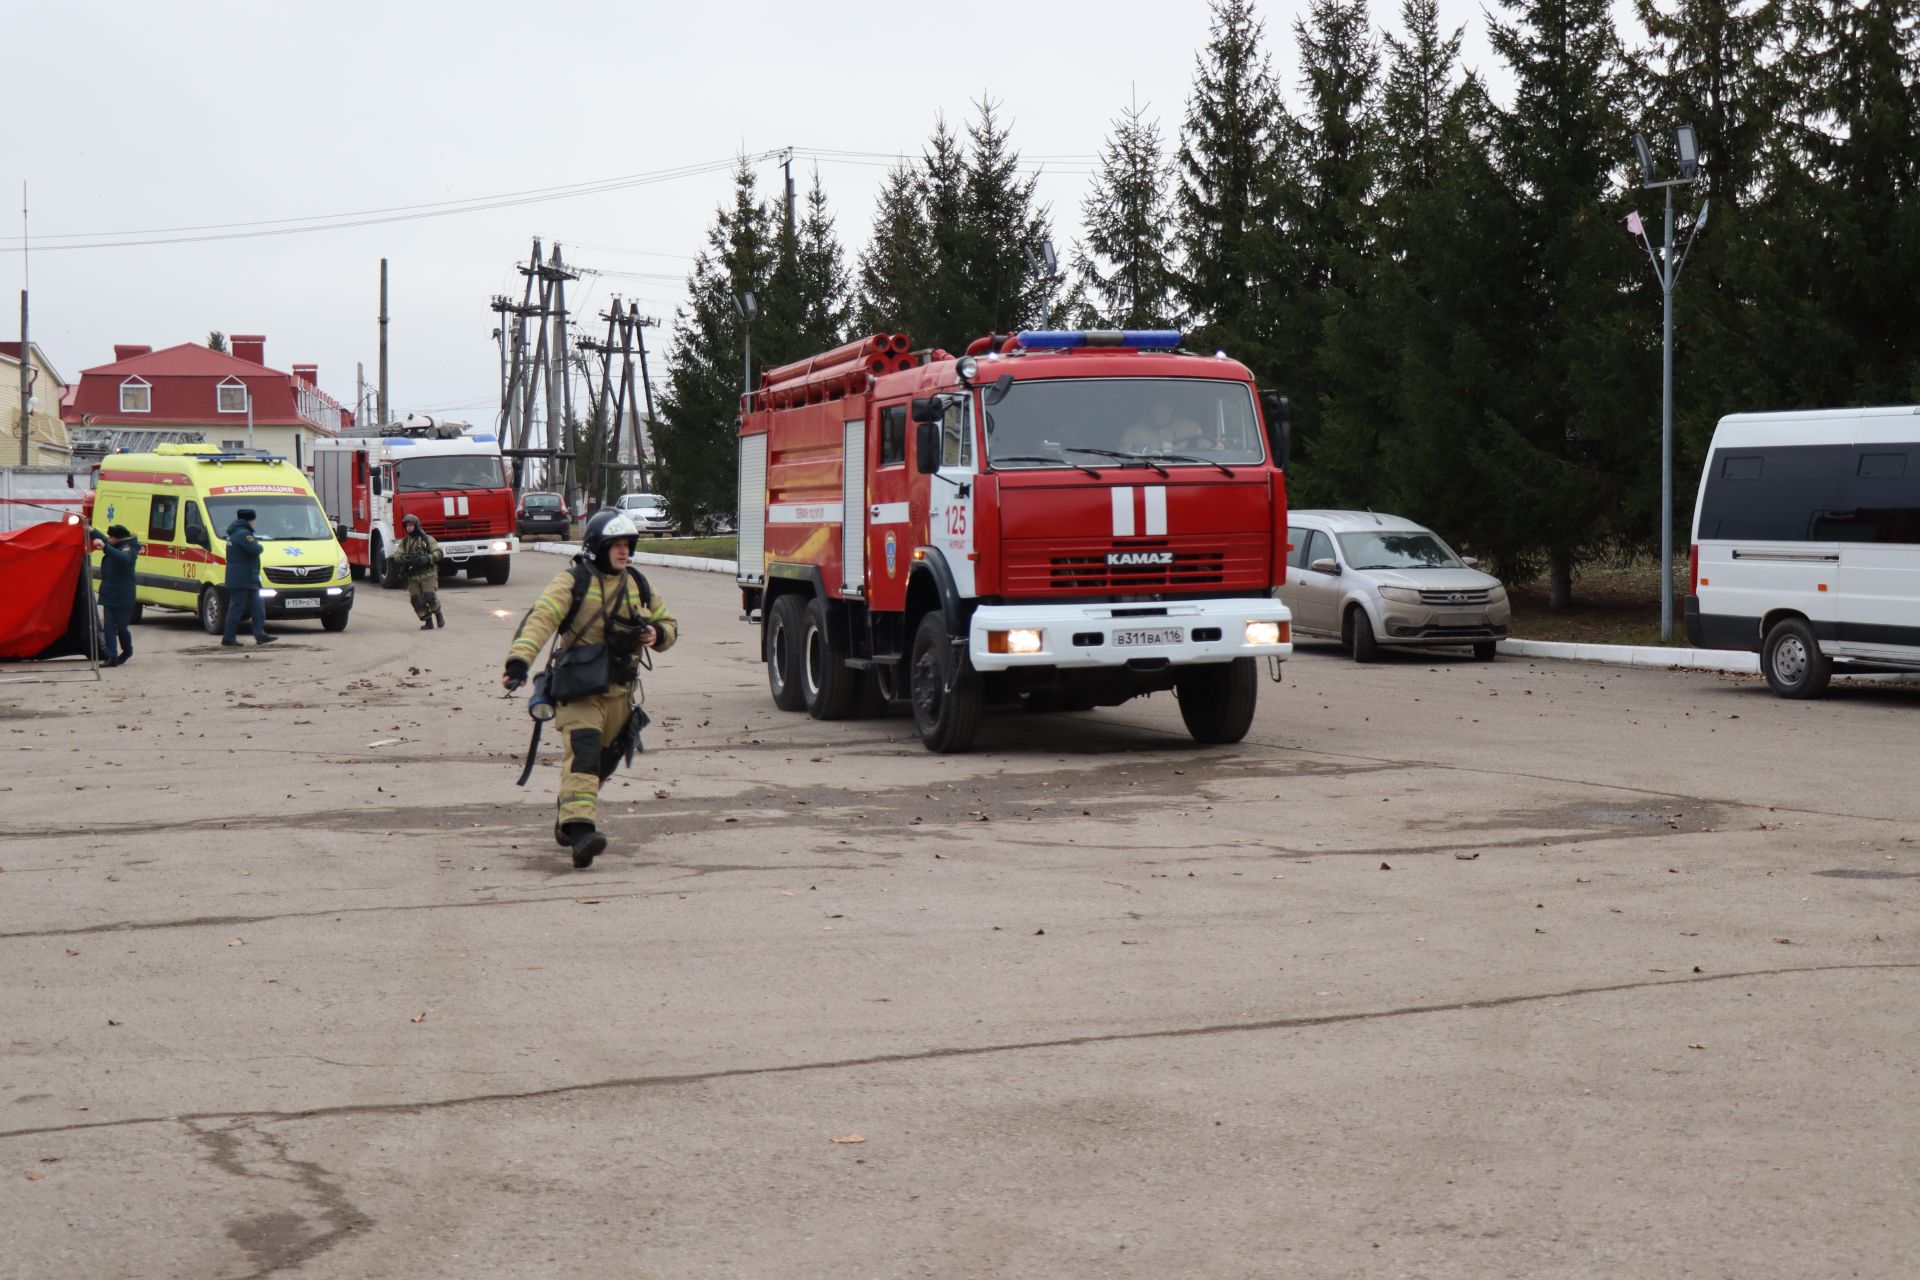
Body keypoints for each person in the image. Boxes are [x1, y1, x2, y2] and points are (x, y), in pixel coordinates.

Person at [501, 508, 677, 868]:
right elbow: (542, 618)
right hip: (579, 690)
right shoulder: (573, 581)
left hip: (621, 695)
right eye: (617, 544)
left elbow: (667, 622)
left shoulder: (637, 583)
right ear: (599, 545)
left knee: (601, 765)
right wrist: (519, 662)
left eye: (628, 544)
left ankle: (568, 815)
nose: (625, 551)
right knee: (584, 753)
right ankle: (582, 834)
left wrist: (656, 634)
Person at [221, 507, 277, 647]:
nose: (254, 523)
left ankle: (260, 634)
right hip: (244, 577)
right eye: (254, 520)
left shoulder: (234, 533)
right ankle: (228, 638)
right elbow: (256, 549)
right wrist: (257, 543)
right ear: (250, 520)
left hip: (245, 576)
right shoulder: (243, 534)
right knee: (237, 607)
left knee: (257, 605)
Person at [92, 523, 142, 667]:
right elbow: (103, 539)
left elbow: (124, 558)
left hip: (123, 595)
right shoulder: (115, 544)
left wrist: (105, 547)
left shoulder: (130, 548)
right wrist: (91, 530)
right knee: (108, 625)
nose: (108, 539)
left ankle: (127, 650)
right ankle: (111, 656)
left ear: (118, 538)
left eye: (111, 537)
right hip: (109, 594)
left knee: (121, 627)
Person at [396, 514, 445, 630]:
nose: (409, 528)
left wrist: (427, 558)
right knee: (416, 600)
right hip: (413, 575)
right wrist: (404, 558)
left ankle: (438, 613)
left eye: (411, 525)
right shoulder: (404, 542)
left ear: (416, 526)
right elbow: (397, 555)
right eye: (407, 526)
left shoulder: (427, 539)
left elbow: (439, 553)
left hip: (428, 574)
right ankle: (428, 620)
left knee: (429, 596)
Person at [1121, 399, 1205, 455]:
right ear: (1149, 410)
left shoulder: (1189, 427)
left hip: (1184, 473)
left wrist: (1217, 446)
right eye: (1157, 408)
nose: (1162, 412)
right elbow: (1123, 457)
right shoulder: (1134, 433)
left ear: (1172, 409)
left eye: (1166, 408)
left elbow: (1208, 450)